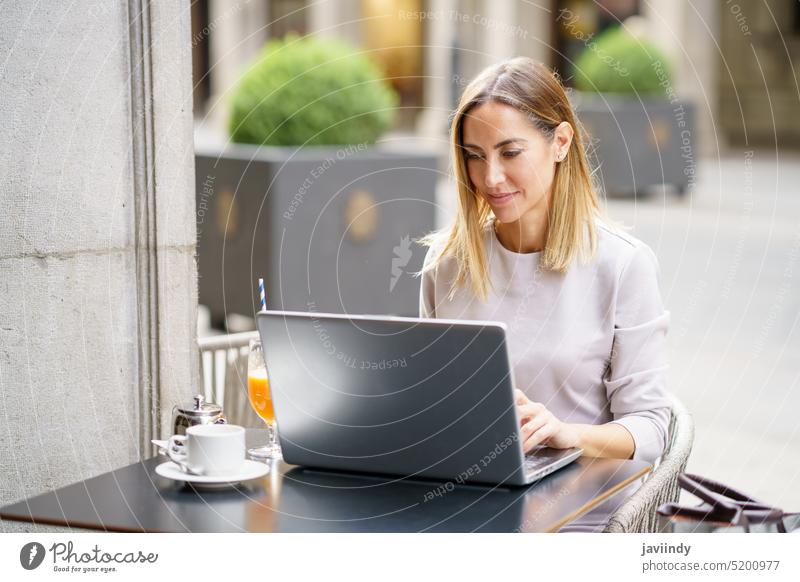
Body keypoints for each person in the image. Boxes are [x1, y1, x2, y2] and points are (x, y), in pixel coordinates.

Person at [419, 57, 671, 465]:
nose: (490, 178)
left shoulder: (623, 265)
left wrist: (565, 434)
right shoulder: (446, 263)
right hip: (466, 489)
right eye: (475, 155)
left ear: (561, 143)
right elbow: (430, 399)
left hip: (580, 505)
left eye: (510, 152)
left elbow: (650, 427)